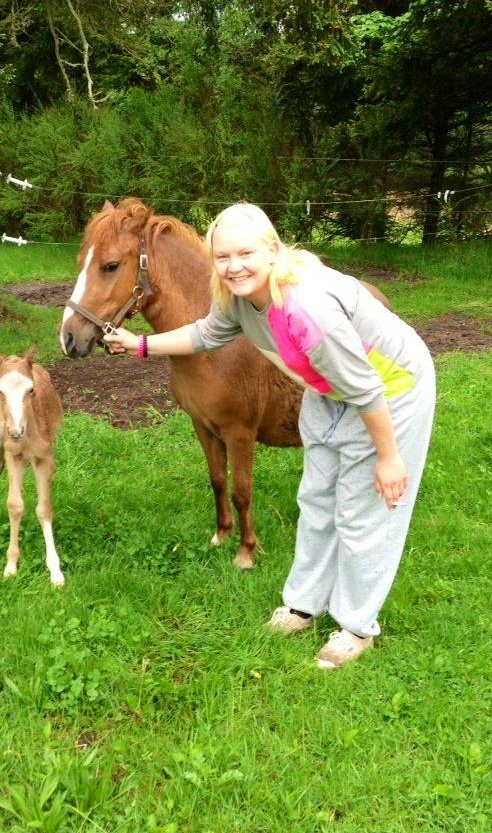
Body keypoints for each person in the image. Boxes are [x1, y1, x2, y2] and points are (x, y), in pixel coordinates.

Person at [104, 203, 435, 669]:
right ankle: (303, 603)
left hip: (389, 389)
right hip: (325, 386)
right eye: (223, 257)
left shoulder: (305, 307)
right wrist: (140, 344)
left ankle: (357, 626)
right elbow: (204, 335)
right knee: (317, 499)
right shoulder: (240, 298)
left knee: (362, 514)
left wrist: (389, 457)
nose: (234, 266)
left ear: (273, 250)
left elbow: (365, 387)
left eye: (246, 253)